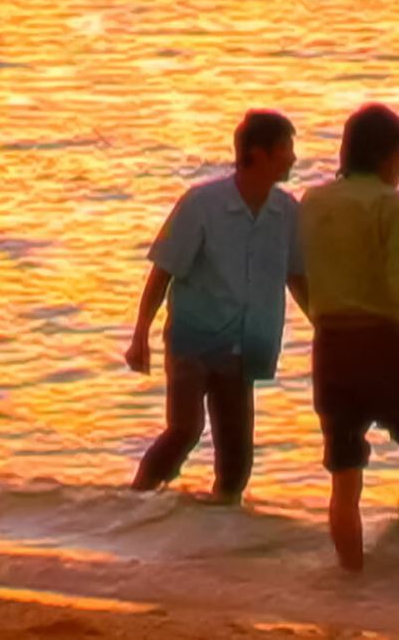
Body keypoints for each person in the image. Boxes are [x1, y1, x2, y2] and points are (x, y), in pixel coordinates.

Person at [124, 109, 308, 505]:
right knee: (185, 430)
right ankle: (134, 506)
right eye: (286, 149)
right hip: (193, 339)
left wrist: (326, 327)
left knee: (237, 457)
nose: (293, 158)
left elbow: (297, 277)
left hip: (246, 345)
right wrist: (140, 335)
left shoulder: (286, 212)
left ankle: (221, 529)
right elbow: (163, 272)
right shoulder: (202, 204)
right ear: (258, 154)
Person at [299, 103, 399, 572]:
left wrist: (320, 314)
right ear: (384, 155)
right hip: (382, 344)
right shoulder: (390, 204)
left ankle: (352, 580)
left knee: (345, 478)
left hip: (330, 346)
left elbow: (300, 273)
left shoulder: (313, 201)